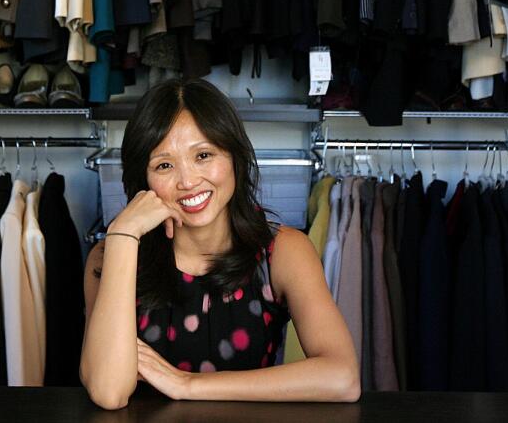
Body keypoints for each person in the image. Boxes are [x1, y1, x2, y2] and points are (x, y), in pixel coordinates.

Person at [80, 78, 360, 409]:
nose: (187, 181)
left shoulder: (283, 251)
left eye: (203, 155)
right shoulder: (110, 254)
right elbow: (108, 392)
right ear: (143, 178)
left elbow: (342, 378)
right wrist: (124, 233)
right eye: (164, 165)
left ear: (234, 157)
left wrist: (187, 384)